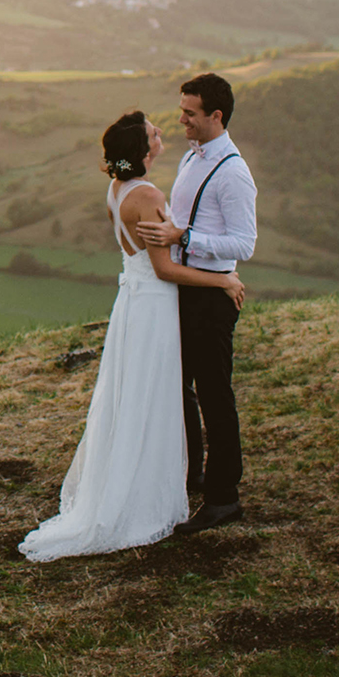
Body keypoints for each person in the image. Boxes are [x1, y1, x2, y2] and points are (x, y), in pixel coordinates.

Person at [19, 111, 246, 562]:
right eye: (154, 134)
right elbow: (165, 267)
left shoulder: (116, 189)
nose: (163, 133)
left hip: (133, 303)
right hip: (157, 303)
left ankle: (159, 470)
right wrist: (224, 280)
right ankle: (151, 487)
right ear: (143, 153)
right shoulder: (147, 195)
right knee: (157, 393)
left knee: (141, 393)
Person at [136, 72, 258, 535]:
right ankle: (193, 475)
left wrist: (183, 236)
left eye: (190, 112)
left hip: (210, 296)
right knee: (178, 386)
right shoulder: (192, 158)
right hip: (187, 288)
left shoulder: (233, 173)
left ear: (216, 116)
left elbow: (243, 244)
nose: (181, 119)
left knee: (214, 394)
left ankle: (224, 497)